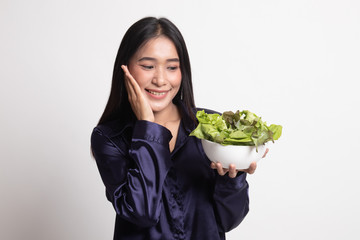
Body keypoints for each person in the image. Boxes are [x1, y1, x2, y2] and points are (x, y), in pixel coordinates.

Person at [91, 16, 267, 240]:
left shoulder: (210, 128)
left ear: (182, 72)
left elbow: (229, 220)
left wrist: (232, 180)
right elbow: (141, 213)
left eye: (172, 67)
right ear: (125, 69)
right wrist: (147, 126)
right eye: (148, 66)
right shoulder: (109, 137)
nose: (161, 79)